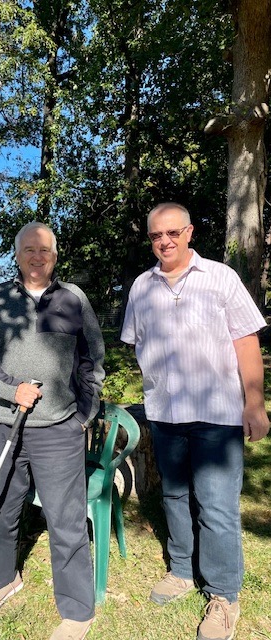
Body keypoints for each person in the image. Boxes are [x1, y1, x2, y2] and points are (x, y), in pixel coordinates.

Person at [121, 202, 269, 640]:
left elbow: (245, 341)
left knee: (217, 506)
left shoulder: (221, 277)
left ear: (188, 232)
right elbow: (136, 344)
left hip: (218, 416)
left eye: (172, 233)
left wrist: (254, 403)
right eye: (155, 236)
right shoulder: (141, 288)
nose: (164, 242)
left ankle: (223, 596)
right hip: (166, 414)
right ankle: (183, 570)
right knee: (174, 495)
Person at [0, 221, 105, 640]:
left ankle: (78, 609)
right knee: (1, 508)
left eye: (44, 250)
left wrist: (84, 414)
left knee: (65, 519)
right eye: (29, 249)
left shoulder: (73, 298)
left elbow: (92, 359)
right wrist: (10, 391)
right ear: (17, 254)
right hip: (7, 426)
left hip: (59, 429)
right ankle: (3, 580)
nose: (36, 256)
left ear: (55, 255)